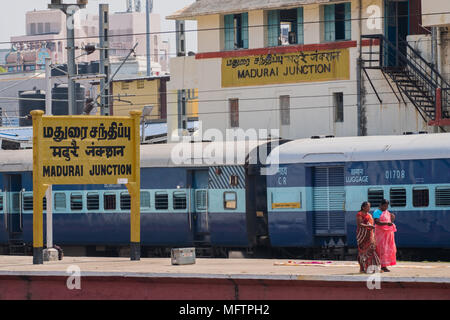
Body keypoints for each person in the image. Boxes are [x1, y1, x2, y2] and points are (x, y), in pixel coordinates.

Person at [373, 199, 397, 272]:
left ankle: (384, 266)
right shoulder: (377, 212)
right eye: (384, 206)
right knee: (381, 249)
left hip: (387, 235)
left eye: (387, 206)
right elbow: (377, 222)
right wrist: (386, 224)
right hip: (380, 234)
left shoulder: (387, 212)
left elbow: (390, 220)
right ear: (381, 205)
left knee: (386, 249)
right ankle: (379, 265)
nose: (386, 207)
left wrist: (392, 218)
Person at [356, 202, 380, 273]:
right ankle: (363, 268)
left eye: (369, 207)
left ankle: (372, 268)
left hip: (369, 236)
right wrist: (368, 226)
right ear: (363, 207)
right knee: (362, 252)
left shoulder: (369, 215)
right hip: (362, 236)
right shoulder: (359, 214)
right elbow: (359, 224)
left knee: (372, 250)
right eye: (367, 207)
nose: (369, 208)